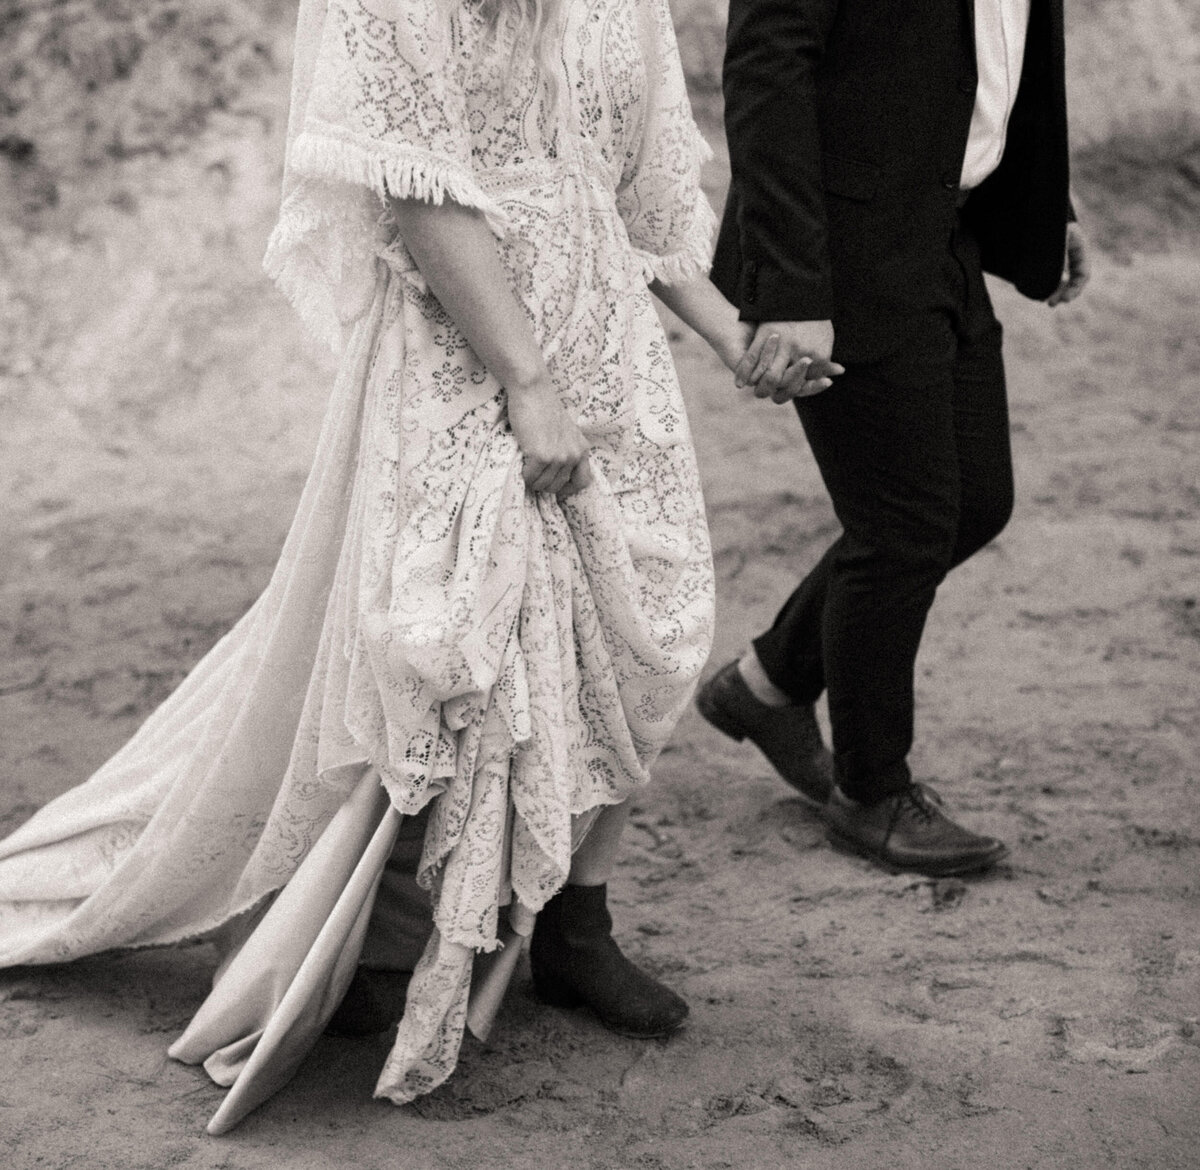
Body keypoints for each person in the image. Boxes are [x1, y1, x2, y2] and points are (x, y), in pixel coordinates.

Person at [0, 0, 801, 1134]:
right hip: (466, 338)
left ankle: (575, 929)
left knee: (644, 634)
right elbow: (416, 183)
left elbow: (648, 195)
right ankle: (392, 941)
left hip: (606, 340)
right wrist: (526, 382)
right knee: (453, 638)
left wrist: (734, 340)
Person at [698, 0, 1091, 876]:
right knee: (904, 524)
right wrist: (795, 286)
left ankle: (765, 685)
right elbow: (766, 63)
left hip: (938, 228)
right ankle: (870, 790)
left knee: (975, 502)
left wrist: (1042, 206)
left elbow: (992, 53)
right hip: (840, 251)